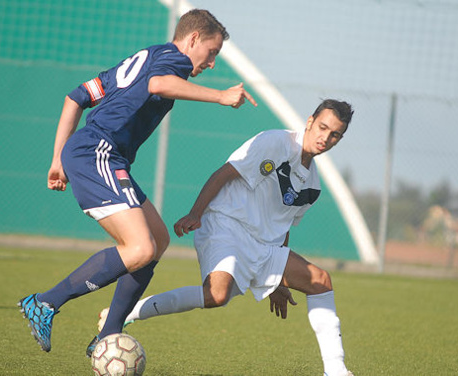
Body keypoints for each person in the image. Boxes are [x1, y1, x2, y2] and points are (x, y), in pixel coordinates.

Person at [17, 8, 257, 355]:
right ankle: (46, 302)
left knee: (157, 241)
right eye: (212, 51)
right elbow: (158, 84)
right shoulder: (173, 60)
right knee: (140, 248)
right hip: (97, 152)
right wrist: (220, 95)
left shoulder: (148, 56)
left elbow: (76, 97)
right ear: (192, 39)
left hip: (99, 155)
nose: (212, 62)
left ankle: (108, 333)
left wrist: (57, 158)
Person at [98, 99, 355, 376]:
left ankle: (337, 370)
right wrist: (196, 213)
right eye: (322, 127)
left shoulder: (313, 185)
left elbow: (283, 224)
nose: (325, 137)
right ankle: (125, 313)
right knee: (217, 295)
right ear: (309, 121)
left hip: (264, 245)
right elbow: (224, 174)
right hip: (226, 225)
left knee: (321, 281)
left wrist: (280, 282)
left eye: (335, 135)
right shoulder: (274, 143)